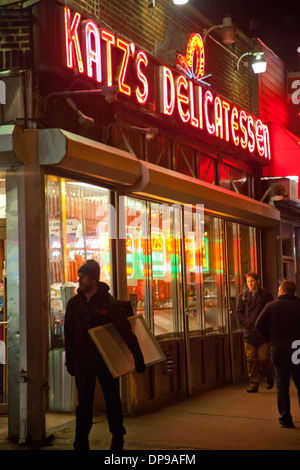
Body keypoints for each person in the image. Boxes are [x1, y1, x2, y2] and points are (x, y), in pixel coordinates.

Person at [64, 259, 146, 450]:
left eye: (83, 276)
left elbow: (125, 330)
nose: (79, 280)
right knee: (84, 403)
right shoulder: (74, 304)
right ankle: (81, 442)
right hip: (83, 362)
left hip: (107, 361)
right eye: (79, 276)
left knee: (112, 399)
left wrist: (137, 355)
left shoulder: (109, 303)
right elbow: (68, 334)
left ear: (93, 279)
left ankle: (117, 437)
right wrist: (70, 360)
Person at [256, 280, 300, 428]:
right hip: (297, 348)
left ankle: (285, 417)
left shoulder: (271, 306)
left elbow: (258, 324)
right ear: (293, 292)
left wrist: (269, 338)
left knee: (282, 385)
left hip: (278, 349)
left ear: (281, 291)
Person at [235, 271, 274, 393]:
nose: (250, 284)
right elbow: (238, 312)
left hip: (262, 333)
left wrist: (263, 324)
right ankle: (254, 383)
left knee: (263, 358)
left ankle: (269, 376)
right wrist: (246, 323)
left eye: (252, 281)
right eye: (248, 282)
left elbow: (270, 311)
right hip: (249, 332)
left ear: (257, 281)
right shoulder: (243, 296)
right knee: (251, 358)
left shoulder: (265, 295)